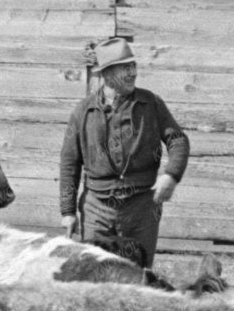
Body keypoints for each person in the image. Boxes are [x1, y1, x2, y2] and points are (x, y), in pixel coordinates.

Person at [58, 36, 190, 273]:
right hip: (95, 210)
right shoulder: (82, 112)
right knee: (95, 277)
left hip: (141, 209)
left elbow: (177, 140)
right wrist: (67, 211)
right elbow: (69, 163)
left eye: (134, 66)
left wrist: (172, 175)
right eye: (125, 68)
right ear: (107, 74)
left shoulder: (150, 104)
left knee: (138, 279)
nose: (132, 73)